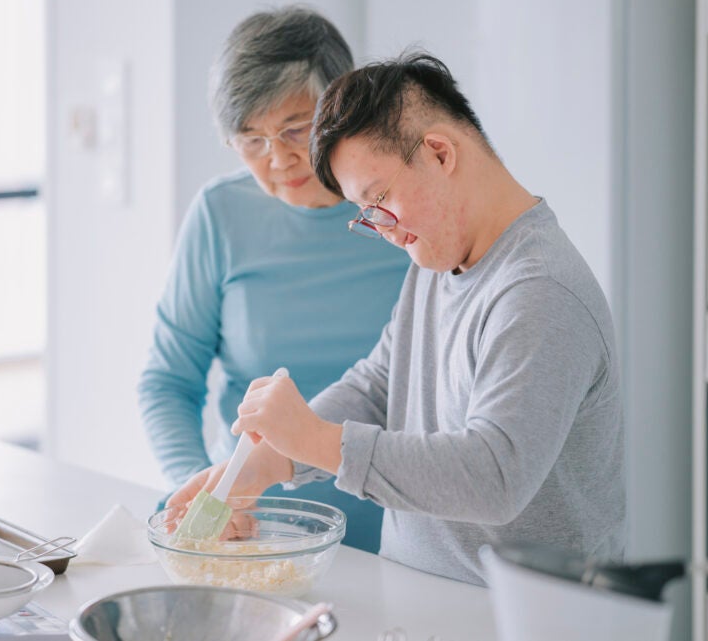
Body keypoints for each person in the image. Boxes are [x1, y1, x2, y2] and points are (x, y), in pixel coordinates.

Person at [168, 52, 626, 585]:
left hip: (520, 619)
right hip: (424, 597)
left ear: (438, 152)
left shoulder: (540, 290)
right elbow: (380, 384)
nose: (381, 227)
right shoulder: (438, 254)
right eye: (366, 212)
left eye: (379, 198)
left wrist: (316, 440)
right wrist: (270, 462)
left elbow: (494, 476)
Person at [138, 6, 409, 553]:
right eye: (251, 140)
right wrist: (201, 489)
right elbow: (168, 382)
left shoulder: (404, 211)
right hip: (254, 527)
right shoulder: (221, 213)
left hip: (398, 530)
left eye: (293, 129)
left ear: (342, 105)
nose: (278, 158)